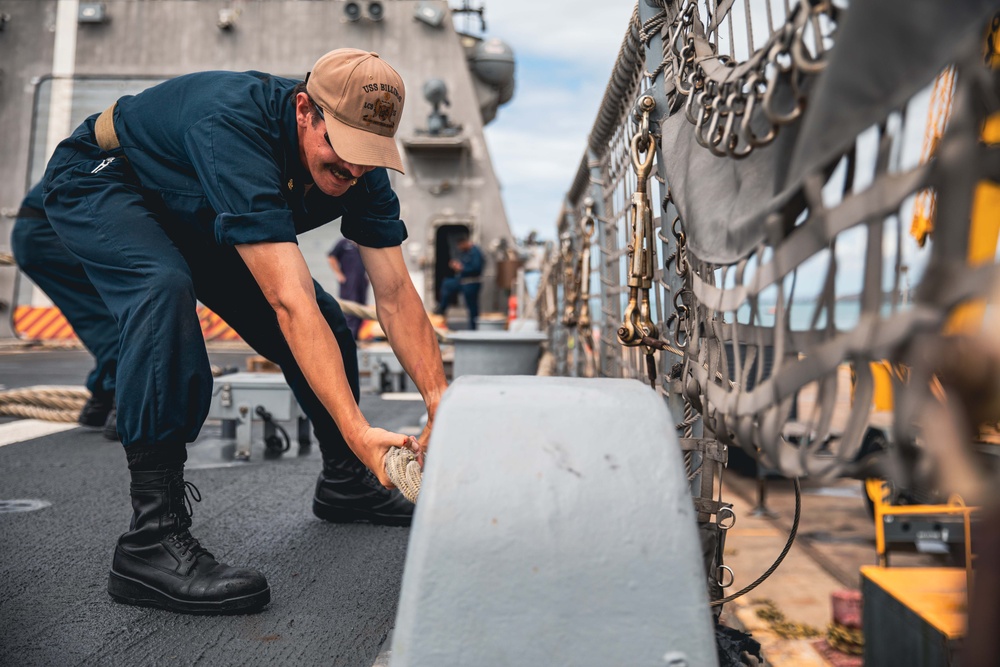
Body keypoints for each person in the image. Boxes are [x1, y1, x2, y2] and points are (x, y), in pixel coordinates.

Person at [34, 48, 447, 615]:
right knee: (162, 289)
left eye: (368, 157)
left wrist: (439, 398)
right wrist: (358, 427)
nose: (353, 170)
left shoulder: (363, 170)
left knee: (328, 319)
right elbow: (286, 299)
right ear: (305, 110)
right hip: (107, 180)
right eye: (342, 151)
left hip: (197, 208)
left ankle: (347, 483)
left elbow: (396, 293)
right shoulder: (232, 123)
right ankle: (150, 539)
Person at [11, 183, 119, 440]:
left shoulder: (97, 146)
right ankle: (124, 401)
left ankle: (101, 400)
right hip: (53, 232)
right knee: (117, 318)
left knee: (102, 314)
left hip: (40, 230)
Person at [436, 233, 483, 330]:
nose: (459, 248)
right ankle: (441, 309)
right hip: (463, 282)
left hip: (471, 283)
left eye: (460, 245)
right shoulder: (466, 252)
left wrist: (462, 268)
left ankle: (474, 329)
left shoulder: (475, 252)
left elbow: (476, 268)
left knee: (472, 307)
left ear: (465, 243)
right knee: (447, 284)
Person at [328, 237, 369, 339]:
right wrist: (339, 274)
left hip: (361, 281)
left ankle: (356, 337)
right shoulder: (343, 243)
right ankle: (348, 338)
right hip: (348, 282)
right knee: (350, 310)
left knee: (361, 308)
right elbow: (331, 257)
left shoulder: (362, 244)